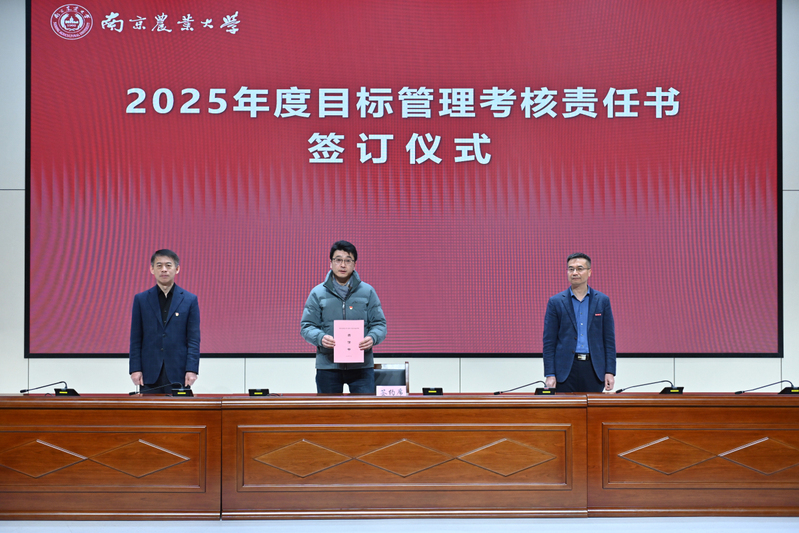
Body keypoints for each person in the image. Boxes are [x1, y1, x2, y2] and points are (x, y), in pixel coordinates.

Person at [301, 241, 387, 393]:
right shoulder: (317, 293)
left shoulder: (368, 292)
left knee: (364, 408)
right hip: (328, 366)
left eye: (348, 260)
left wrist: (372, 337)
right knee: (329, 409)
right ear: (330, 263)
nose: (342, 265)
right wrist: (320, 337)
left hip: (361, 367)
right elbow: (307, 326)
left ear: (354, 264)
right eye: (338, 260)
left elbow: (379, 324)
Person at [129, 249, 201, 393]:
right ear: (152, 269)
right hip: (149, 373)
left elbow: (193, 339)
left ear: (177, 269)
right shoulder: (141, 299)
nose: (164, 269)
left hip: (179, 372)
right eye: (159, 265)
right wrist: (135, 369)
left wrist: (192, 369)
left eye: (168, 265)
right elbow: (136, 338)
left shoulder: (190, 300)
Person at [542, 252, 616, 392]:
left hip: (594, 369)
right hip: (564, 371)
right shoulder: (555, 302)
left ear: (589, 272)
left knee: (593, 407)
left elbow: (609, 340)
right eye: (571, 269)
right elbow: (549, 342)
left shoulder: (602, 300)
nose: (575, 272)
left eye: (579, 268)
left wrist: (610, 371)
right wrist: (550, 374)